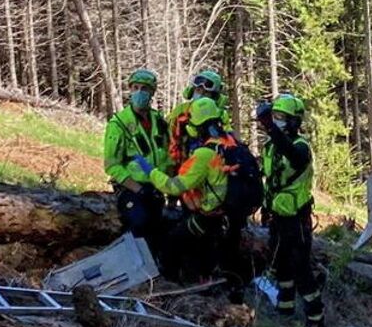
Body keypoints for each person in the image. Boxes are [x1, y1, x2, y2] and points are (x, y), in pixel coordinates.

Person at [136, 96, 259, 288]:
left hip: (211, 217)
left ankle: (170, 289)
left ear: (195, 126)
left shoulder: (204, 154)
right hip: (232, 217)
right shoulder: (231, 143)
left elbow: (174, 186)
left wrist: (150, 172)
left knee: (172, 243)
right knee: (210, 255)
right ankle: (214, 283)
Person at [256, 93, 321, 327]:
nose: (278, 121)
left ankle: (316, 318)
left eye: (282, 117)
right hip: (277, 216)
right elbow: (271, 179)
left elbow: (293, 158)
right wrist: (265, 208)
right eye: (275, 116)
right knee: (281, 264)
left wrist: (271, 127)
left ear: (294, 121)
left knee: (300, 267)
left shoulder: (300, 147)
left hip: (297, 219)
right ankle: (285, 309)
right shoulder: (270, 146)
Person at [103, 68, 172, 240]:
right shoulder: (119, 123)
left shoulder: (159, 121)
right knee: (139, 225)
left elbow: (169, 155)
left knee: (158, 233)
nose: (139, 92)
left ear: (152, 92)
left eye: (144, 88)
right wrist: (139, 189)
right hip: (131, 188)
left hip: (156, 188)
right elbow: (112, 165)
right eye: (135, 88)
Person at [166, 69, 226, 164]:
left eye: (206, 93)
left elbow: (227, 139)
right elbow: (167, 133)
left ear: (214, 97)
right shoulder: (181, 110)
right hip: (183, 163)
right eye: (198, 90)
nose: (201, 95)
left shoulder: (220, 115)